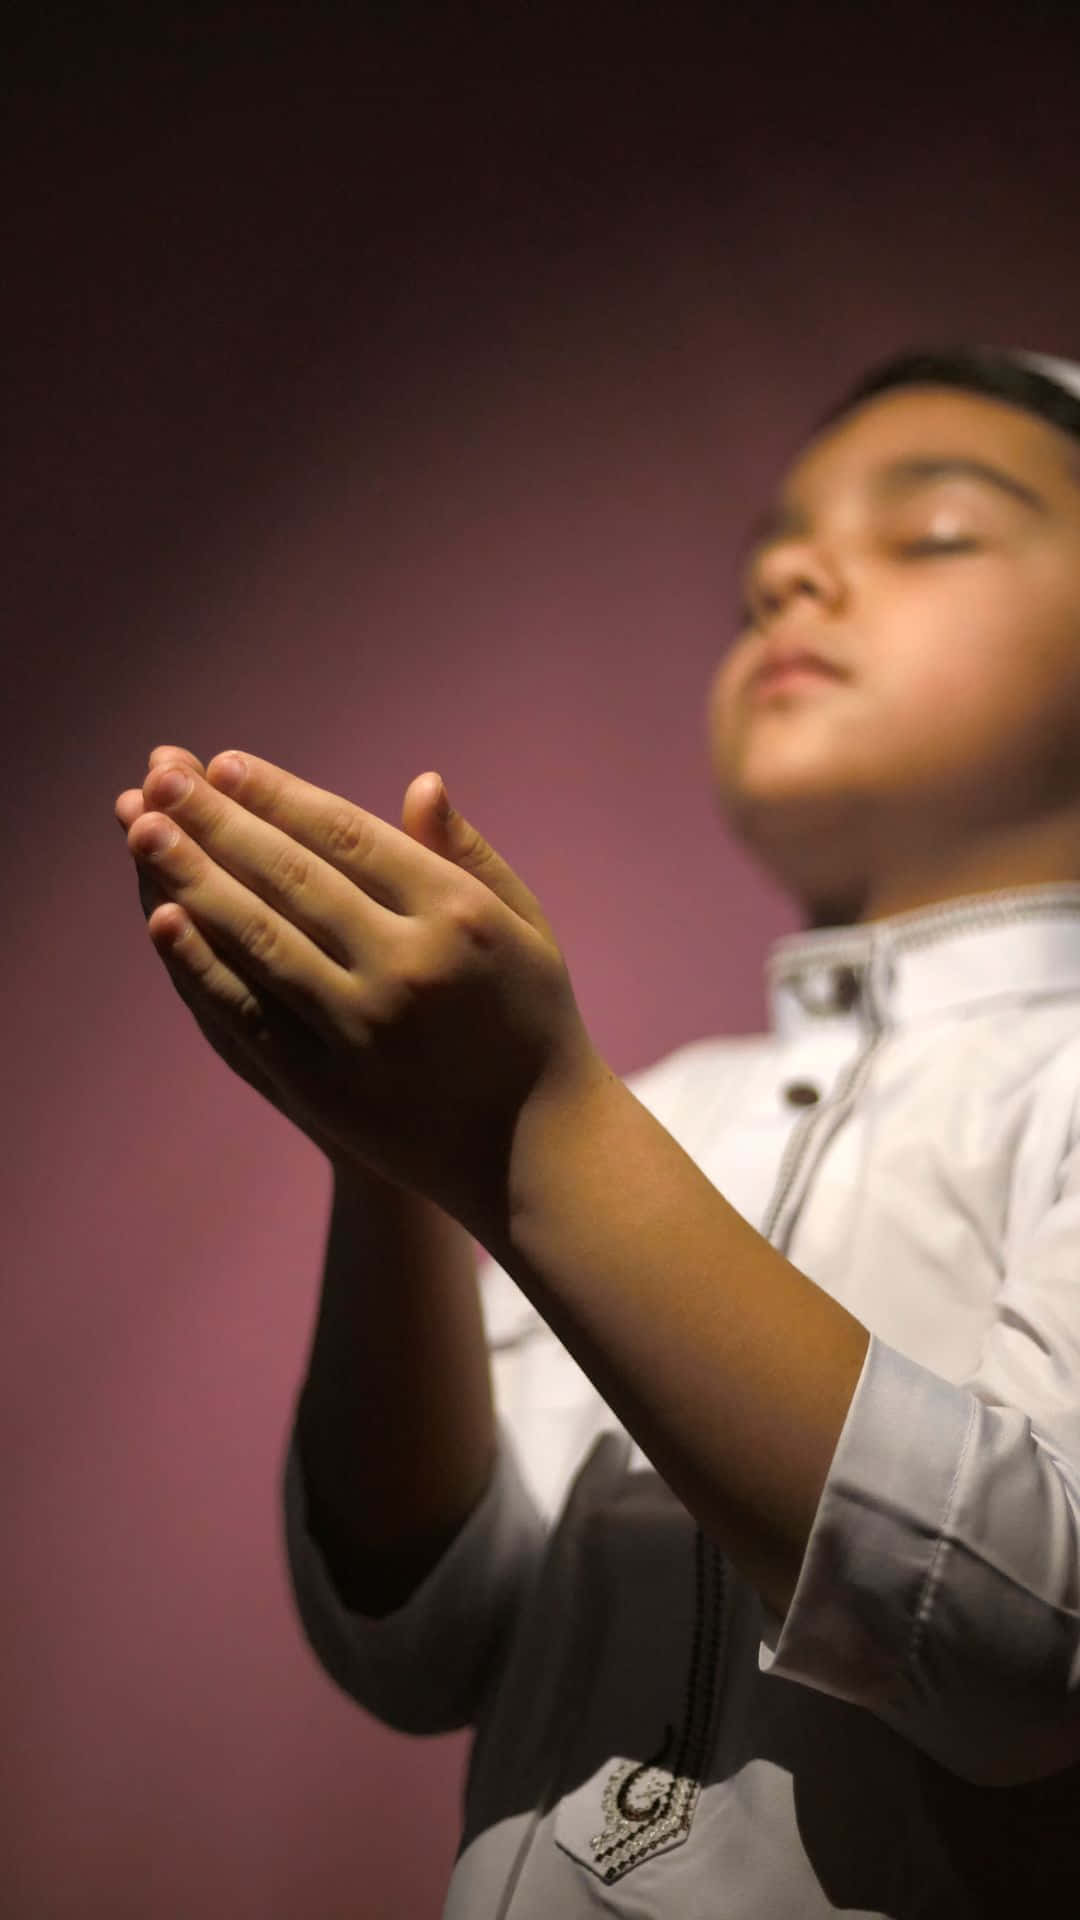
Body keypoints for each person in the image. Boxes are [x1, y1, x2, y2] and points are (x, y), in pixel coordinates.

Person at [115, 343, 1080, 1916]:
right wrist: (399, 1167)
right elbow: (420, 1638)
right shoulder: (655, 1113)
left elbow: (1032, 1647)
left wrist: (531, 1127)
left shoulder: (589, 1127)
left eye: (939, 533)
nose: (789, 578)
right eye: (768, 559)